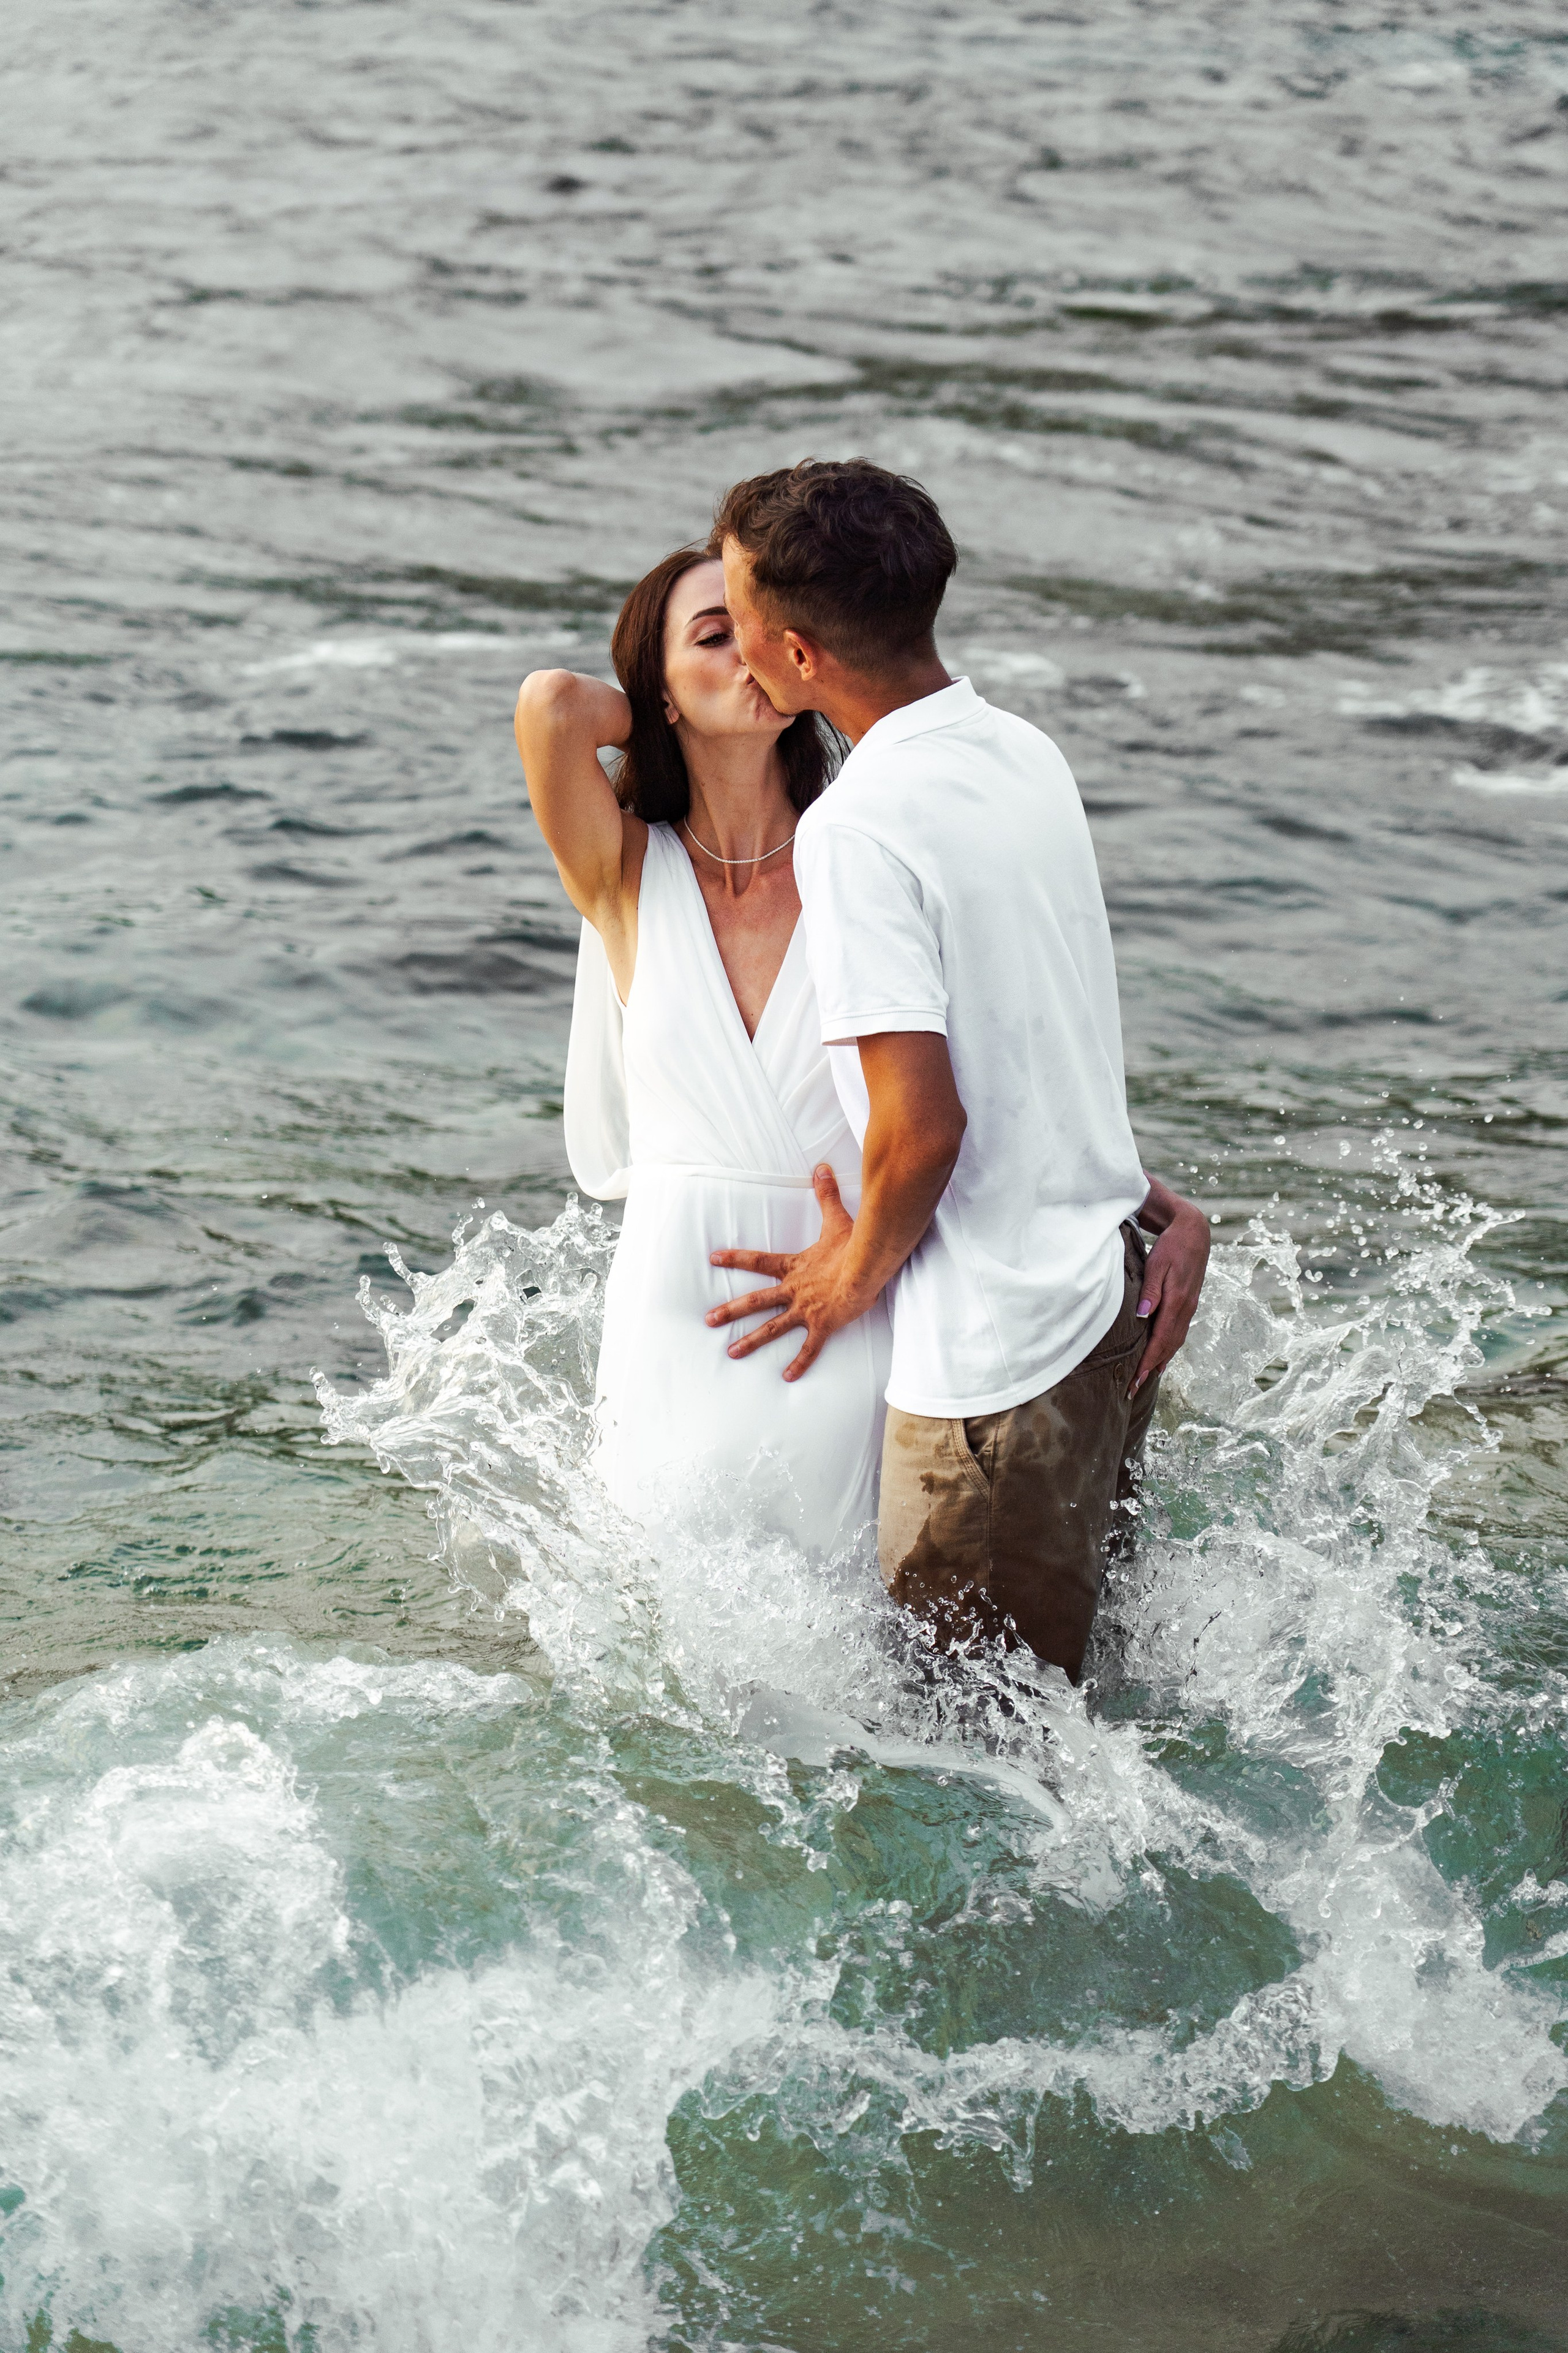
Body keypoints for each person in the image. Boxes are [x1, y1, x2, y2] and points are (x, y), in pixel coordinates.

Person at [704, 458, 1212, 1681]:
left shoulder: (858, 826)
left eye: (739, 617)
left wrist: (842, 1276)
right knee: (1068, 1722)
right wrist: (1149, 1195)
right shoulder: (1019, 749)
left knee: (964, 1763)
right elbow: (1037, 1029)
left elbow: (921, 1129)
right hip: (1101, 1297)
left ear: (799, 654)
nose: (740, 648)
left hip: (997, 1370)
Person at [513, 548, 891, 1554]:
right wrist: (661, 697)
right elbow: (552, 707)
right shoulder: (626, 872)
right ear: (662, 690)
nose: (747, 655)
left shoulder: (859, 854)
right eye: (713, 637)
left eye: (761, 631)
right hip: (671, 1312)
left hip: (840, 1293)